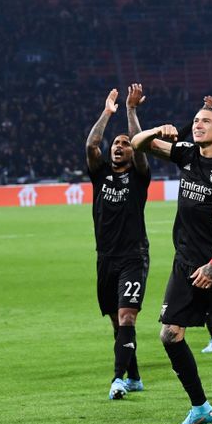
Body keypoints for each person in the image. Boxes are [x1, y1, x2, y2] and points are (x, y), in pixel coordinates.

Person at [131, 102, 212, 424]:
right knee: (169, 335)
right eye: (196, 121)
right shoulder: (186, 154)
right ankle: (200, 407)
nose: (198, 125)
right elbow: (136, 143)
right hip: (184, 262)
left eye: (206, 121)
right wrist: (158, 130)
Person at [85, 85, 150, 400]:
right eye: (116, 143)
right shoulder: (100, 176)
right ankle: (135, 375)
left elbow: (140, 145)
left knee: (127, 317)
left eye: (125, 143)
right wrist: (107, 113)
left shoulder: (139, 177)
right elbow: (92, 144)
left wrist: (130, 111)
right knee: (118, 323)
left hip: (133, 257)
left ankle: (117, 379)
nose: (119, 146)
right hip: (105, 258)